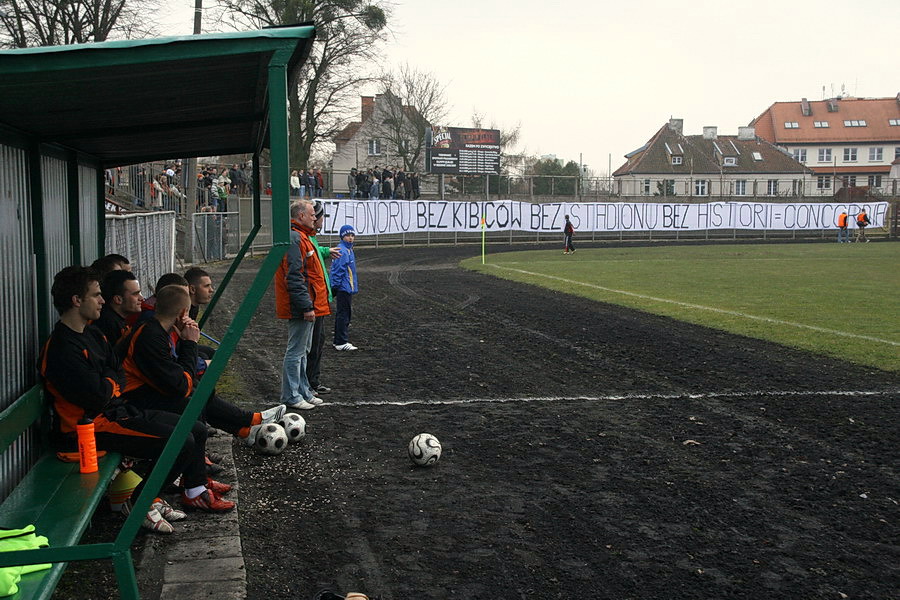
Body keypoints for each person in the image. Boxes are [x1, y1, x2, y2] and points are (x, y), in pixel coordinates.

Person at [40, 266, 231, 524]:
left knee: (194, 429)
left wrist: (109, 382)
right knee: (180, 441)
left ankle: (191, 491)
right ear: (76, 300)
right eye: (96, 295)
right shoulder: (63, 348)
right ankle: (140, 502)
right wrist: (110, 382)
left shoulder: (92, 332)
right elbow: (97, 396)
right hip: (88, 428)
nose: (103, 301)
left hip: (116, 411)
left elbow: (115, 369)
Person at [117, 285, 285, 448]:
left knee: (198, 390)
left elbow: (177, 372)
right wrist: (190, 342)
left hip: (141, 390)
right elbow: (181, 385)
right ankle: (246, 423)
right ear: (182, 313)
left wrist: (185, 342)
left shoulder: (158, 329)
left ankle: (244, 427)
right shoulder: (151, 335)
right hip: (128, 398)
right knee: (191, 400)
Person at [275, 200, 331, 410]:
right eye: (311, 215)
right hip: (301, 306)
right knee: (296, 351)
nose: (315, 218)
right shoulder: (296, 238)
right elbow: (295, 276)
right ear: (300, 216)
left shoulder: (303, 238)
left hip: (309, 304)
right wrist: (307, 306)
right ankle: (291, 395)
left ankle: (304, 391)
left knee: (303, 350)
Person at [306, 201, 340, 394]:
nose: (320, 220)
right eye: (319, 217)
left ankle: (312, 381)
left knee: (317, 342)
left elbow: (315, 253)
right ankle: (309, 383)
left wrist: (327, 251)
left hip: (318, 300)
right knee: (312, 344)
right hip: (314, 301)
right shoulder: (305, 238)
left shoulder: (311, 238)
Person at [95, 270, 143, 345]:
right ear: (118, 299)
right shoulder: (108, 325)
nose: (141, 298)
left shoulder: (115, 320)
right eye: (135, 294)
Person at [330, 225, 359, 351]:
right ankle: (341, 341)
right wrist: (334, 287)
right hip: (343, 287)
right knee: (344, 314)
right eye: (348, 235)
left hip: (345, 286)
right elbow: (338, 270)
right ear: (342, 236)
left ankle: (339, 340)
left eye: (352, 235)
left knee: (344, 313)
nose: (350, 238)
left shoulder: (347, 249)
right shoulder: (343, 250)